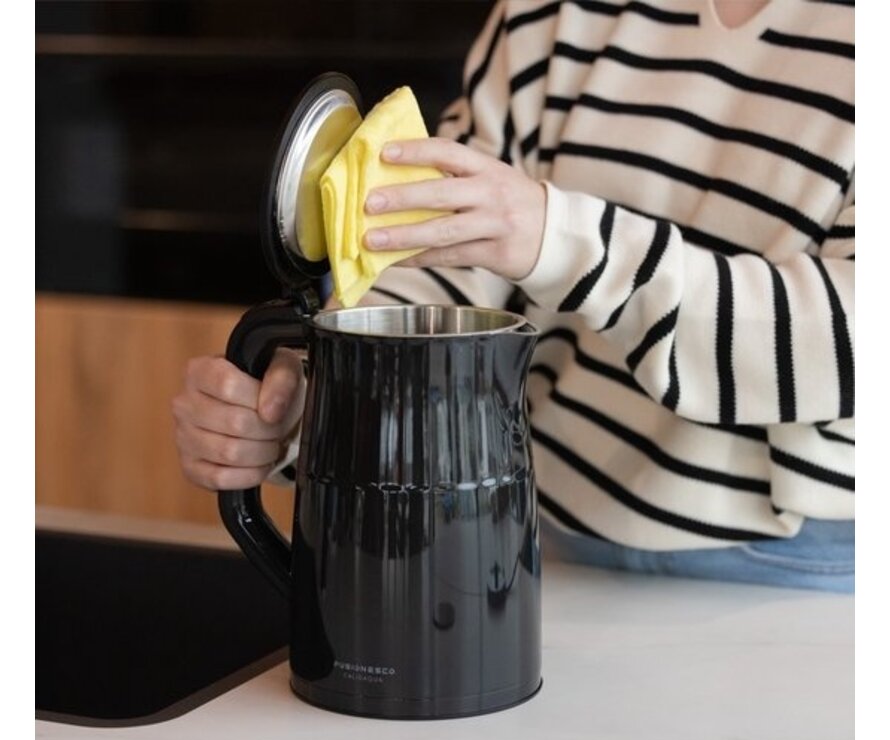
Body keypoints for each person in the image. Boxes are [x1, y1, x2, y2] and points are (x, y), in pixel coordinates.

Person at [173, 0, 854, 592]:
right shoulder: (552, 11)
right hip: (543, 539)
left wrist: (559, 238)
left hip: (795, 576)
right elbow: (439, 254)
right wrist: (318, 409)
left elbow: (850, 342)